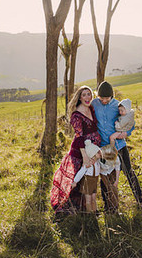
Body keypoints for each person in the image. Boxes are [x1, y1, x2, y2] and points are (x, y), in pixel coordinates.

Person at [50, 85, 118, 215]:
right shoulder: (76, 115)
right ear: (79, 97)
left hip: (93, 150)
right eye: (84, 95)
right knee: (80, 178)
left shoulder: (91, 109)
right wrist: (85, 156)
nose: (87, 97)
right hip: (81, 152)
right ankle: (77, 209)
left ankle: (89, 208)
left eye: (89, 94)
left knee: (90, 180)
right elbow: (79, 137)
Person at [92, 80, 142, 209]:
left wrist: (126, 133)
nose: (104, 101)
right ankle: (108, 206)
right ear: (98, 96)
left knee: (128, 171)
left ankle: (140, 200)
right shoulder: (94, 104)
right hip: (104, 148)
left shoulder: (117, 105)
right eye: (101, 98)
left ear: (111, 96)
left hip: (119, 145)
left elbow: (130, 122)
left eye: (107, 98)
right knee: (105, 176)